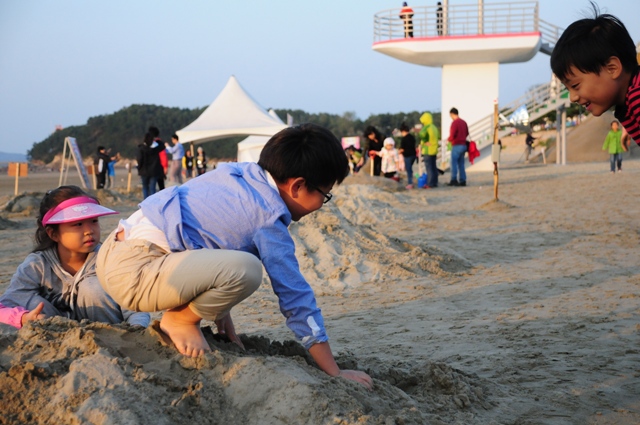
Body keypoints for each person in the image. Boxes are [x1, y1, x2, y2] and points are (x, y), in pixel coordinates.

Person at [95, 124, 373, 389]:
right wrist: (334, 371)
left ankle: (185, 315)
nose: (321, 205)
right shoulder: (268, 217)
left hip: (112, 253)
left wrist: (220, 311)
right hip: (136, 273)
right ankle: (179, 320)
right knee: (248, 270)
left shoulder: (239, 174)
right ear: (298, 186)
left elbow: (203, 230)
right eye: (325, 195)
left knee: (235, 264)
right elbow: (296, 297)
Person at [0, 186, 150, 329]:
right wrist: (23, 318)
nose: (89, 231)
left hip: (108, 335)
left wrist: (136, 329)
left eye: (94, 221)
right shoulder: (37, 265)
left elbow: (135, 304)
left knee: (92, 287)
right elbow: (7, 304)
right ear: (53, 233)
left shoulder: (109, 258)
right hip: (56, 338)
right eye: (78, 224)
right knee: (33, 301)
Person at [550, 5, 640, 144]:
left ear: (612, 68)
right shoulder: (628, 100)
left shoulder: (637, 96)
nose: (573, 97)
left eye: (575, 85)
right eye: (568, 89)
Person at [137, 132, 165, 199]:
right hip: (154, 171)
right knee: (152, 188)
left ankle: (146, 203)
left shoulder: (142, 148)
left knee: (145, 187)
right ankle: (152, 203)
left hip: (144, 171)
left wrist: (139, 168)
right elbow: (163, 146)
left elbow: (140, 159)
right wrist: (158, 140)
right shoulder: (156, 148)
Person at [447, 107, 469, 187]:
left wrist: (448, 140)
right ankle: (463, 180)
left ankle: (454, 179)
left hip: (456, 145)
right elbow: (467, 133)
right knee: (461, 164)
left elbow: (452, 135)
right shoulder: (464, 122)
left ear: (452, 114)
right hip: (463, 145)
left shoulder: (455, 123)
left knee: (454, 163)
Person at [419, 112, 440, 189]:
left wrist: (424, 141)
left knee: (429, 168)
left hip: (428, 150)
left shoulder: (427, 127)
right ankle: (434, 182)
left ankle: (430, 183)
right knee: (434, 167)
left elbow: (422, 134)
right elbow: (438, 136)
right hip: (434, 149)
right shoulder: (434, 127)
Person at [149, 126, 168, 191]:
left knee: (152, 186)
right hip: (160, 168)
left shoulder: (149, 144)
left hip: (152, 168)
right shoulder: (161, 144)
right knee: (161, 186)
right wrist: (165, 167)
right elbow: (163, 156)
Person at [399, 123, 417, 188]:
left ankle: (410, 183)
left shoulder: (404, 139)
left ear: (403, 131)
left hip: (407, 156)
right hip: (413, 155)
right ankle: (411, 182)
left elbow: (402, 149)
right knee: (410, 169)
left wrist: (398, 152)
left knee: (408, 169)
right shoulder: (412, 137)